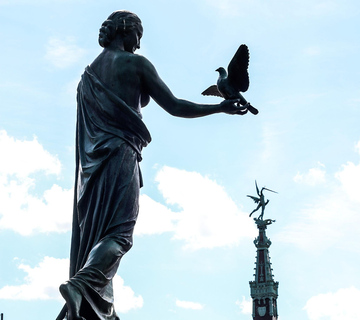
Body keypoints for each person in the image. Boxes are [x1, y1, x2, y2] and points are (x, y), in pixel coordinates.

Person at [57, 10, 246, 320]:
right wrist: (220, 108)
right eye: (138, 35)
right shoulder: (135, 64)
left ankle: (93, 304)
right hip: (120, 155)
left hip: (90, 170)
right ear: (123, 29)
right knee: (119, 235)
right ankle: (82, 285)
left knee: (97, 237)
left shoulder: (87, 76)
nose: (140, 44)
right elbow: (174, 106)